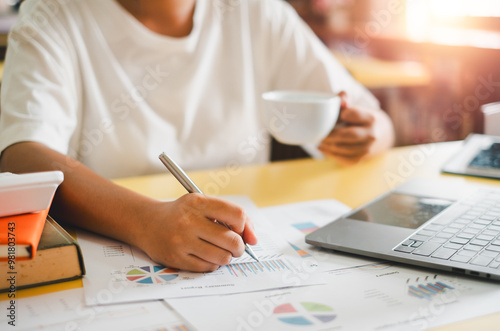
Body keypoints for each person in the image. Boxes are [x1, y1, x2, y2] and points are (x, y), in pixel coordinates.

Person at [0, 0, 394, 272]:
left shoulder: (256, 11)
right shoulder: (55, 13)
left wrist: (370, 132)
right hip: (117, 250)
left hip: (244, 239)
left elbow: (375, 121)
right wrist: (146, 221)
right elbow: (22, 157)